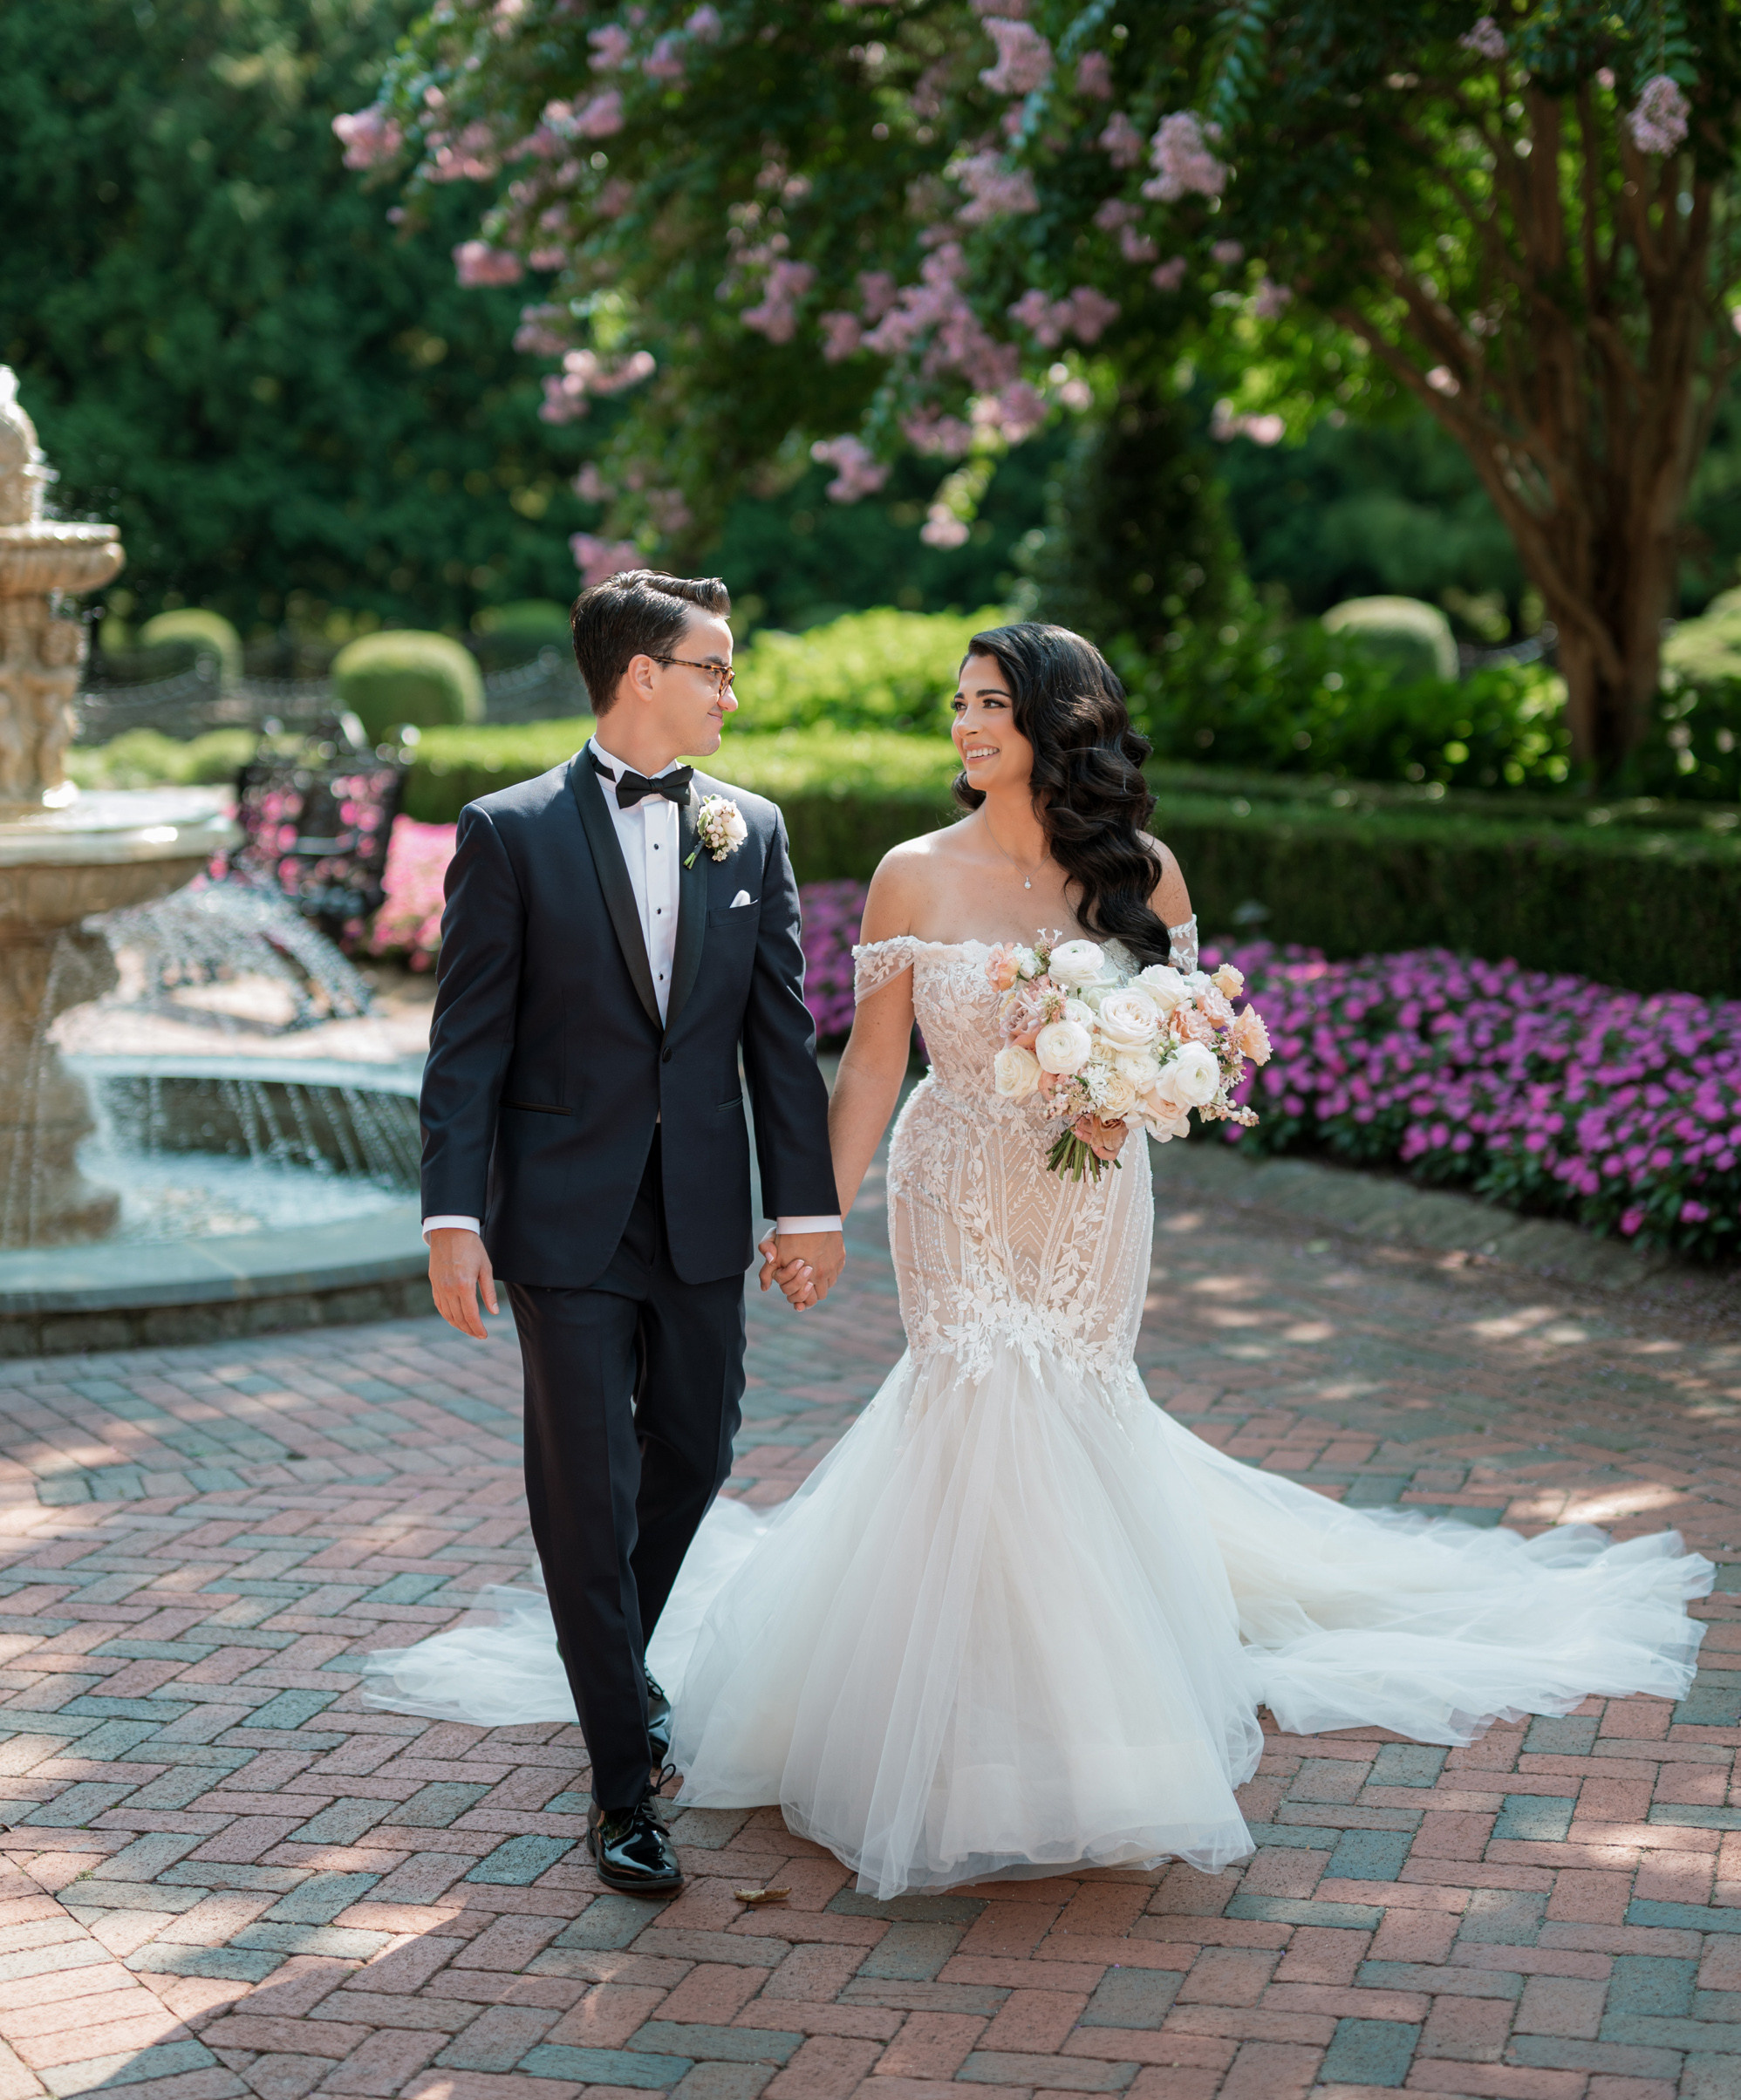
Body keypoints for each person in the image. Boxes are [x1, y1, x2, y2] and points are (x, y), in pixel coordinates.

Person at [369, 618, 1710, 1901]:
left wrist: (1141, 1083)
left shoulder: (1148, 875)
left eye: (988, 705)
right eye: (956, 703)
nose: (961, 725)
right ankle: (959, 1741)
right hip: (954, 1183)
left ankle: (1089, 1726)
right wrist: (812, 1219)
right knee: (981, 1401)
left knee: (1075, 1408)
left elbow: (1193, 1039)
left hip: (1091, 1191)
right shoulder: (911, 871)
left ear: (1055, 725)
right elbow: (871, 1067)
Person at [377, 571, 842, 1899]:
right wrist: (451, 1215)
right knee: (586, 1485)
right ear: (641, 672)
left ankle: (610, 1643)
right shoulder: (509, 831)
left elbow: (777, 1041)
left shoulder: (750, 831)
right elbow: (465, 1042)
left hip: (700, 1210)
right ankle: (621, 1788)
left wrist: (803, 1207)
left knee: (696, 1445)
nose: (731, 693)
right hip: (558, 1220)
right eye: (714, 667)